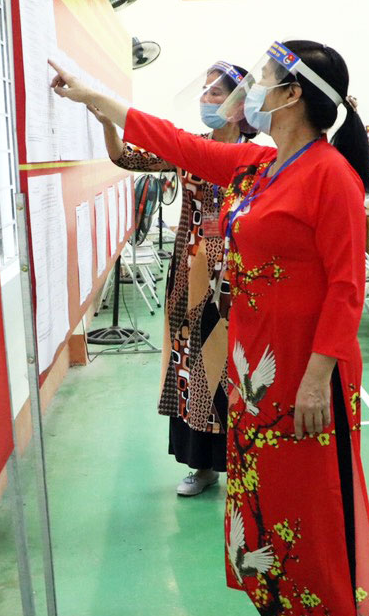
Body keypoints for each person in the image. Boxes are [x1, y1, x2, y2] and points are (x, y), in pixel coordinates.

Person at [51, 40, 369, 616]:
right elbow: (184, 148)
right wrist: (98, 99)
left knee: (312, 510)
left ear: (294, 93)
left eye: (266, 76)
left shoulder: (329, 175)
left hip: (304, 373)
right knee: (268, 507)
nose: (254, 88)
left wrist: (318, 377)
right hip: (255, 370)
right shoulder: (262, 167)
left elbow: (347, 287)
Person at [94, 61, 254, 497]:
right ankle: (202, 467)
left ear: (241, 105)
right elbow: (126, 156)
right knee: (194, 369)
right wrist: (110, 124)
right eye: (203, 91)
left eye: (216, 93)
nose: (205, 99)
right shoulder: (191, 148)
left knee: (238, 369)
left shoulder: (258, 159)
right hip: (190, 277)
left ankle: (246, 465)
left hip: (239, 280)